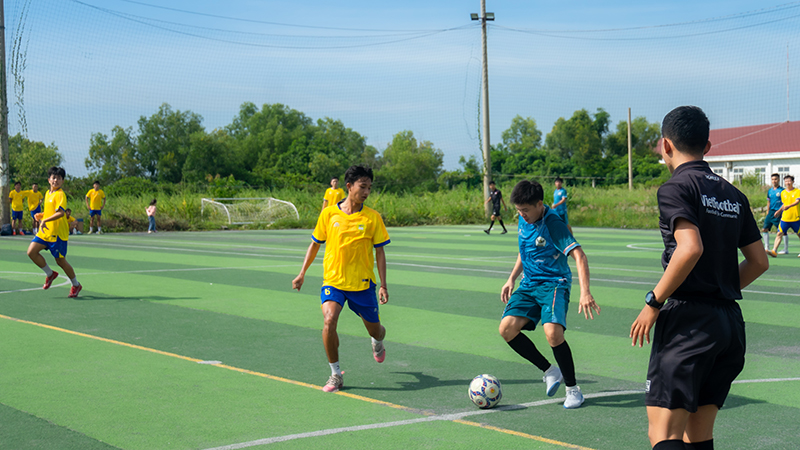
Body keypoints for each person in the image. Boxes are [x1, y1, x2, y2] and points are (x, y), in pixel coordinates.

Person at [630, 106, 768, 450]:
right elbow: (759, 261)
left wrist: (653, 302)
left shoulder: (676, 187)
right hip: (729, 325)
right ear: (707, 146)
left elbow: (690, 248)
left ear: (665, 145)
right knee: (698, 434)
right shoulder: (734, 195)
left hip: (688, 323)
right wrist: (720, 287)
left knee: (663, 434)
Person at [499, 179, 600, 409]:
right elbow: (524, 250)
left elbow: (579, 256)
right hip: (528, 284)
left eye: (525, 210)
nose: (522, 215)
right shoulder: (524, 219)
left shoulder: (553, 223)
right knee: (506, 329)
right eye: (518, 210)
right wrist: (511, 278)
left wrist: (585, 292)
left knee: (553, 333)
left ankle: (573, 390)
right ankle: (550, 370)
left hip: (554, 284)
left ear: (539, 204)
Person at [292, 165, 391, 393]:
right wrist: (302, 273)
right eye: (362, 187)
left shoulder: (372, 218)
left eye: (369, 188)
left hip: (362, 285)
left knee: (375, 330)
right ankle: (336, 374)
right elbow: (315, 244)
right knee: (329, 320)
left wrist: (383, 285)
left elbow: (380, 252)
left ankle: (377, 340)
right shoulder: (329, 214)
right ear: (349, 186)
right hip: (334, 282)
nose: (366, 192)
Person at [26, 167, 83, 298]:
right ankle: (50, 274)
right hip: (45, 232)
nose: (55, 180)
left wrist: (45, 220)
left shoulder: (60, 194)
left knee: (60, 261)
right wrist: (42, 215)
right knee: (31, 252)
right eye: (53, 177)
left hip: (57, 234)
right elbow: (50, 211)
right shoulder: (47, 193)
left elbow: (61, 213)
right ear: (49, 180)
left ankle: (76, 284)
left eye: (59, 178)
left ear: (62, 181)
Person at [766, 175, 800, 258]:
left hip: (795, 218)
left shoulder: (797, 191)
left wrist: (789, 206)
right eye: (786, 181)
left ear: (793, 182)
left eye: (789, 181)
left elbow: (797, 201)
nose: (787, 183)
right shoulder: (783, 192)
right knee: (779, 233)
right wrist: (778, 211)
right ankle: (774, 251)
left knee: (799, 234)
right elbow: (784, 204)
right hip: (785, 218)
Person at [762, 173, 786, 253]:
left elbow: (784, 202)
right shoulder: (770, 190)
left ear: (779, 180)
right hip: (771, 212)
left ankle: (785, 248)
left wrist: (779, 211)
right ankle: (767, 247)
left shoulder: (782, 190)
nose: (774, 181)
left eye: (775, 179)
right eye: (772, 179)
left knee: (782, 230)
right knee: (764, 229)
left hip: (779, 212)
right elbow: (768, 201)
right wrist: (768, 211)